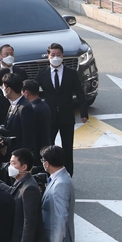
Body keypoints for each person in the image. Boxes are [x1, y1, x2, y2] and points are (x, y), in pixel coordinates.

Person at [36, 44, 88, 176]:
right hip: (49, 116)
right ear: (48, 56)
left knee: (68, 149)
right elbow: (34, 93)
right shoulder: (42, 74)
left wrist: (83, 113)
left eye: (58, 55)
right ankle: (48, 175)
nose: (55, 57)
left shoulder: (71, 73)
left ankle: (68, 175)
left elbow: (80, 93)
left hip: (67, 116)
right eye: (52, 55)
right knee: (48, 148)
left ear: (62, 56)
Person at [1, 73, 35, 156]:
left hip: (19, 155)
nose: (2, 89)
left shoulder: (24, 108)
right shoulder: (13, 103)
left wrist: (23, 157)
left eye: (3, 87)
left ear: (8, 90)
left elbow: (27, 136)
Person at [21, 79, 52, 156]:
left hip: (37, 149)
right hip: (45, 145)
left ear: (26, 93)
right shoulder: (44, 105)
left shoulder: (32, 109)